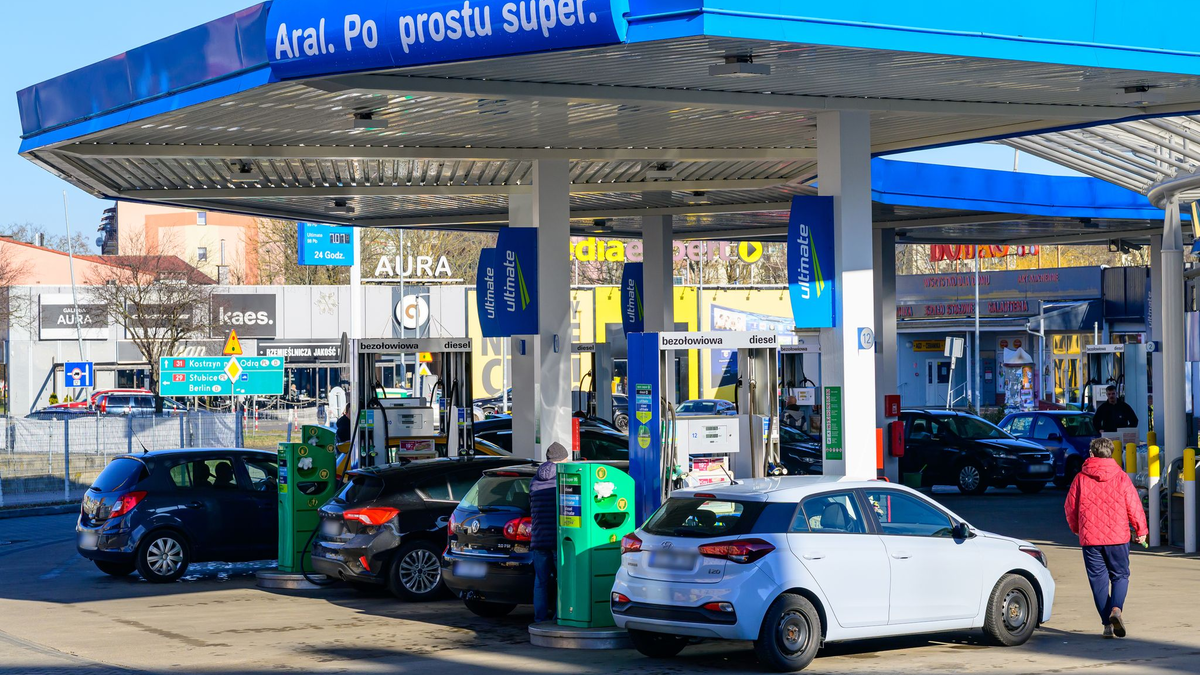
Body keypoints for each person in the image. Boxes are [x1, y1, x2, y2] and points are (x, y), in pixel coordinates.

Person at [1064, 437, 1148, 639]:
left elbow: (1070, 507)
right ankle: (1116, 609)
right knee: (1120, 576)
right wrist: (1141, 530)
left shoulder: (1080, 478)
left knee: (1098, 581)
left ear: (1091, 454)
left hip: (1091, 539)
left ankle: (1107, 625)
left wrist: (1076, 528)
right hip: (1118, 537)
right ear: (1111, 453)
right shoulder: (1121, 477)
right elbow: (1134, 505)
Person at [529, 442, 570, 624]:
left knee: (540, 582)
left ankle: (540, 618)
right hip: (557, 539)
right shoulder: (562, 479)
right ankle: (560, 615)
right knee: (563, 580)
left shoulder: (534, 480)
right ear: (562, 459)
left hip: (538, 539)